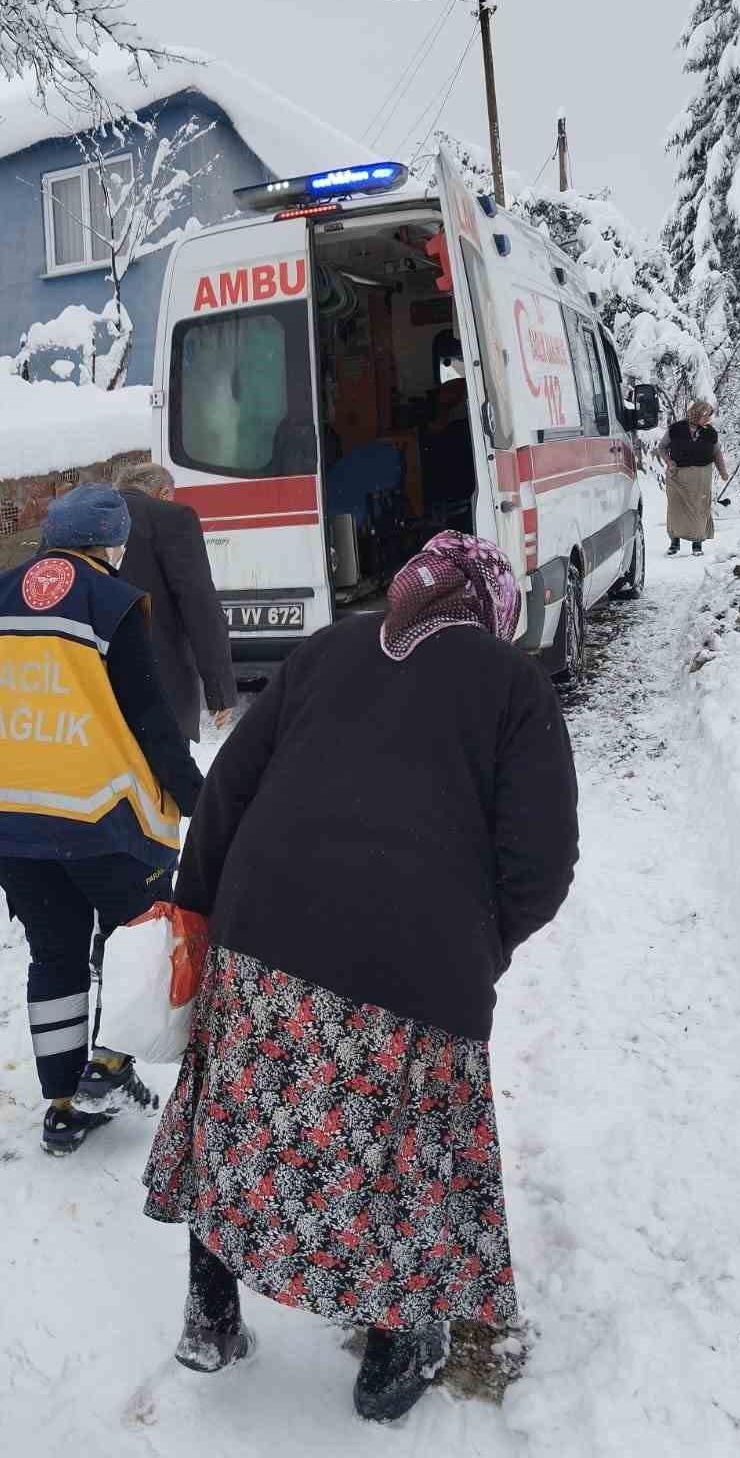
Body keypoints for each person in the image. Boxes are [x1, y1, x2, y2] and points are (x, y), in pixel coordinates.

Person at [143, 531, 579, 1423]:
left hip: (261, 937)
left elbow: (226, 790)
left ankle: (210, 1318)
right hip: (415, 968)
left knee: (238, 1122)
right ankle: (392, 1356)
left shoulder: (327, 647)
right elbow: (542, 862)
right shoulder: (512, 685)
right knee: (405, 1163)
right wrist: (471, 944)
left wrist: (201, 910)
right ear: (491, 608)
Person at [0, 483, 204, 1156]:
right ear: (108, 542)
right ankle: (110, 1065)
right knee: (134, 941)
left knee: (55, 953)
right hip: (98, 816)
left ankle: (64, 1105)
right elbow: (151, 718)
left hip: (6, 817)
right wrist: (198, 797)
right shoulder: (111, 600)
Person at [117, 463, 237, 742]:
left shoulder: (80, 518)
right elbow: (199, 604)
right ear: (164, 493)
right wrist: (219, 688)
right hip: (155, 683)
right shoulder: (170, 518)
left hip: (86, 683)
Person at [659, 400, 730, 555]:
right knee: (676, 509)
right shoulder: (676, 429)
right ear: (697, 414)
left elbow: (716, 453)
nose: (708, 419)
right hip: (678, 476)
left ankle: (697, 544)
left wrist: (723, 471)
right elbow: (662, 447)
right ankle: (674, 542)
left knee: (699, 509)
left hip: (701, 477)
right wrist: (669, 461)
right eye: (706, 416)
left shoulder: (710, 432)